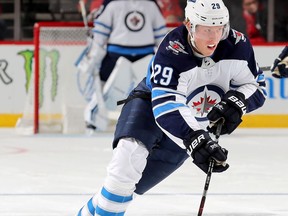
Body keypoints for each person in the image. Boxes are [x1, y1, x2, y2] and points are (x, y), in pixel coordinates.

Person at [76, 0, 266, 215]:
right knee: (122, 176)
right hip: (149, 109)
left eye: (219, 28)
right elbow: (166, 106)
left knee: (129, 192)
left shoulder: (238, 46)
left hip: (192, 125)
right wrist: (195, 139)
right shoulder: (172, 49)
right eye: (206, 29)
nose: (214, 38)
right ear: (189, 25)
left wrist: (238, 102)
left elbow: (257, 86)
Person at [76, 0, 167, 132]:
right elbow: (161, 36)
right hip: (140, 55)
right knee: (150, 89)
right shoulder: (151, 4)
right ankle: (94, 120)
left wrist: (94, 56)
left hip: (119, 55)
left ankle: (93, 120)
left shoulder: (112, 3)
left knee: (104, 86)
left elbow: (100, 34)